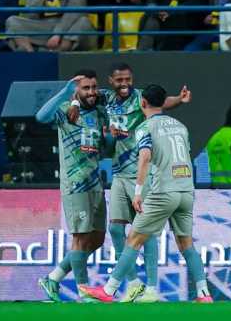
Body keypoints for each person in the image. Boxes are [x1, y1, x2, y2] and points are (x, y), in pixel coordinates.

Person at [66, 63, 192, 302]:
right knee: (115, 228)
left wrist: (179, 99)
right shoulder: (105, 97)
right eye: (120, 80)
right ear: (110, 81)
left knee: (146, 232)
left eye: (128, 79)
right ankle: (134, 283)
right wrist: (73, 103)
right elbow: (83, 94)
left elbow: (162, 103)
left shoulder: (140, 98)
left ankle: (152, 287)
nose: (125, 84)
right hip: (119, 173)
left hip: (140, 175)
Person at [35, 70, 109, 303]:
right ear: (77, 90)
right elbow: (41, 116)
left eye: (94, 87)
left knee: (96, 238)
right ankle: (83, 290)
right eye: (86, 88)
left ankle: (53, 278)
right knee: (80, 237)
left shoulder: (98, 111)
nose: (91, 92)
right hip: (75, 185)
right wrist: (66, 92)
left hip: (96, 182)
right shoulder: (67, 111)